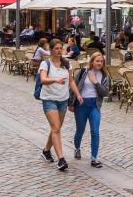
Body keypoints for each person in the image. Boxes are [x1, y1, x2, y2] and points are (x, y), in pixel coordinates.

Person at [38, 40, 78, 172]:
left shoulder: (67, 64)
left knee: (56, 128)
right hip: (49, 99)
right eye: (56, 48)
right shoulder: (45, 64)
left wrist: (77, 94)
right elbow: (43, 80)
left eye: (61, 48)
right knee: (56, 128)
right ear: (50, 50)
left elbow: (71, 81)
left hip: (63, 100)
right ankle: (61, 159)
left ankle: (46, 151)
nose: (59, 50)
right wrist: (55, 80)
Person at [71, 50, 109, 167]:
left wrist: (96, 83)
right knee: (80, 130)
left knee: (95, 131)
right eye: (97, 61)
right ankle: (77, 147)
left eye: (101, 61)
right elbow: (74, 86)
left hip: (94, 105)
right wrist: (71, 103)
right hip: (81, 104)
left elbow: (106, 93)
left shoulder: (105, 77)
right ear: (92, 62)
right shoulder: (83, 72)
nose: (99, 63)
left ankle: (94, 158)